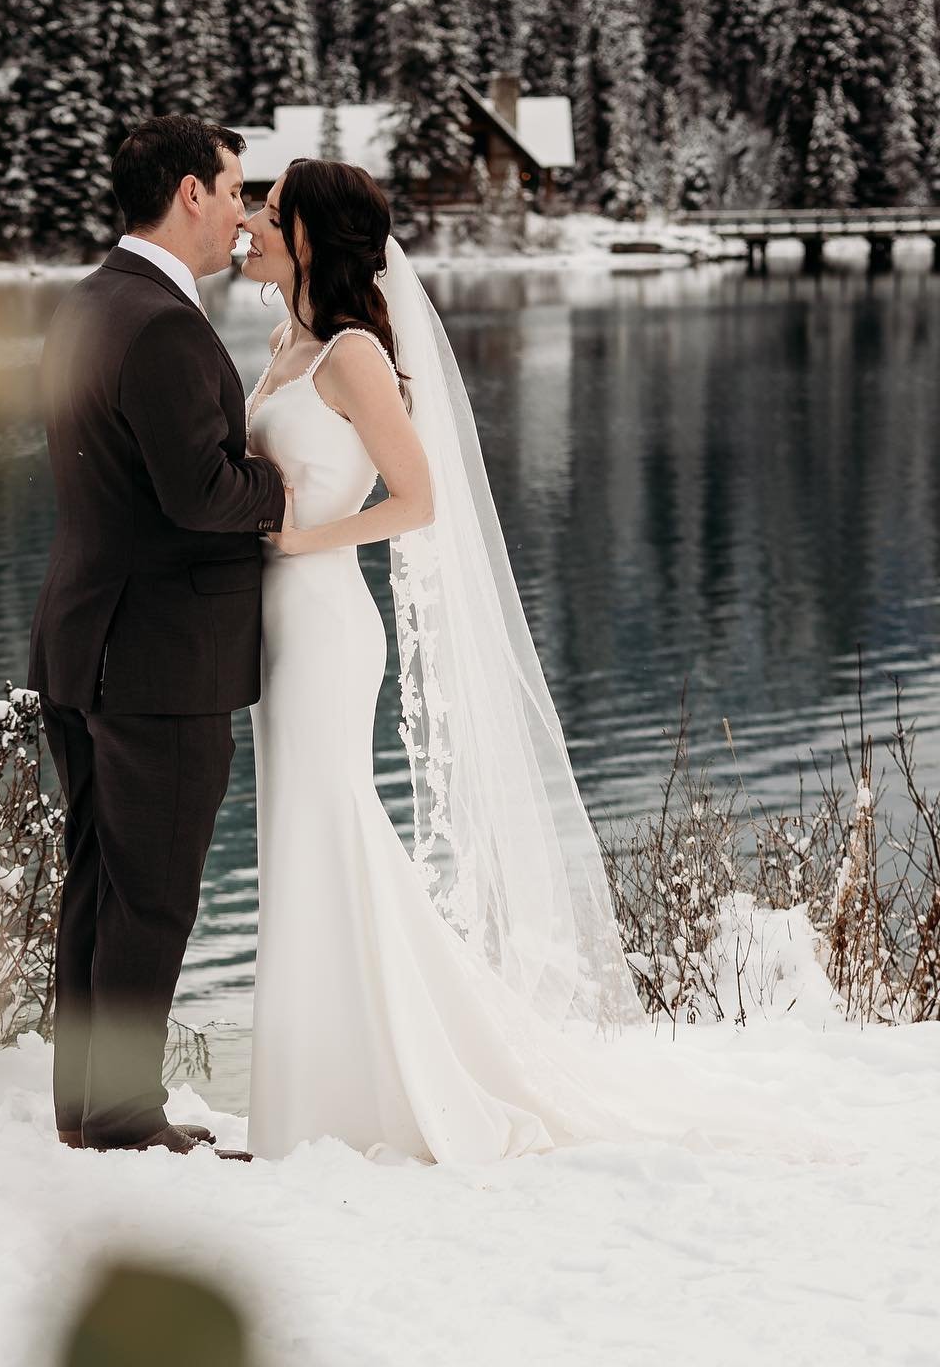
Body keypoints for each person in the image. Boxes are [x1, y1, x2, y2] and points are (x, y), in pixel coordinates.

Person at [240, 159, 823, 1163]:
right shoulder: (285, 341)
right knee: (302, 835)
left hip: (326, 623)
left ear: (308, 237)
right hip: (276, 625)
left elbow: (417, 500)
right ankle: (315, 1087)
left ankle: (378, 1085)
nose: (253, 218)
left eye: (272, 209)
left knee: (331, 827)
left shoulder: (351, 356)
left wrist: (302, 542)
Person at [29, 115, 285, 1157]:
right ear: (190, 193)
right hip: (158, 660)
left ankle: (87, 1109)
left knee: (100, 876)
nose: (242, 212)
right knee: (153, 895)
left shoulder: (89, 302)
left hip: (85, 634)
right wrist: (279, 483)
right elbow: (202, 495)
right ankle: (125, 1120)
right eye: (233, 191)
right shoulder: (166, 325)